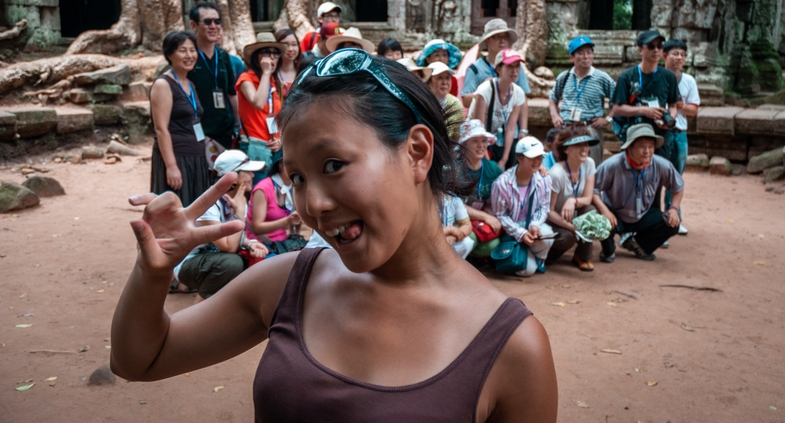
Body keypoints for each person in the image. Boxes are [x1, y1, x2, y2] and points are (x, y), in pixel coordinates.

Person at [113, 48, 557, 422]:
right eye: (298, 178)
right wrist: (153, 272)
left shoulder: (513, 347)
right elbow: (140, 359)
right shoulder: (287, 282)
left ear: (417, 153)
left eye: (333, 166)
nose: (313, 206)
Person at [173, 150, 269, 301]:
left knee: (251, 262)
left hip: (212, 258)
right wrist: (239, 212)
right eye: (248, 172)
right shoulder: (211, 205)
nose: (252, 176)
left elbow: (234, 237)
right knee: (231, 264)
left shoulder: (236, 199)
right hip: (188, 264)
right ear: (232, 176)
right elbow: (228, 246)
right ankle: (200, 310)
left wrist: (250, 243)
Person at [593, 124, 684, 262]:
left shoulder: (660, 164)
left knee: (672, 224)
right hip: (615, 213)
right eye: (642, 146)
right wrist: (604, 210)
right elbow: (592, 190)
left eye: (651, 146)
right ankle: (608, 249)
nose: (647, 151)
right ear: (630, 147)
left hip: (643, 214)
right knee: (599, 221)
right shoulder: (612, 165)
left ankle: (638, 245)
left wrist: (673, 208)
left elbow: (678, 187)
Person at [150, 31, 210, 207]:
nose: (189, 55)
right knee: (175, 210)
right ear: (169, 54)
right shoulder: (163, 84)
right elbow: (161, 129)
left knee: (193, 211)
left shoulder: (190, 84)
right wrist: (171, 166)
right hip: (177, 157)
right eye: (183, 50)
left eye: (192, 50)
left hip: (195, 157)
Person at [491, 137, 555, 276]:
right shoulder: (501, 183)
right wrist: (520, 233)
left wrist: (534, 225)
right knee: (527, 271)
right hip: (511, 229)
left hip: (532, 226)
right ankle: (528, 255)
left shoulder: (544, 179)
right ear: (519, 158)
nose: (537, 161)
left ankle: (538, 257)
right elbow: (500, 215)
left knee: (548, 235)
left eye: (540, 157)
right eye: (532, 157)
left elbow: (544, 207)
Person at [548, 36, 616, 167]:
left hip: (590, 128)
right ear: (571, 58)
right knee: (564, 166)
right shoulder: (564, 77)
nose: (586, 56)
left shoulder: (602, 78)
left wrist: (608, 119)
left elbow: (618, 100)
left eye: (589, 52)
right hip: (567, 128)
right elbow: (553, 98)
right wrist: (554, 115)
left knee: (592, 167)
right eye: (580, 53)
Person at [611, 30, 680, 156]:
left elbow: (673, 105)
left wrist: (669, 119)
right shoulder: (626, 76)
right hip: (634, 133)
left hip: (659, 134)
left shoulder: (669, 76)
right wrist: (643, 110)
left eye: (659, 46)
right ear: (640, 50)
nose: (656, 50)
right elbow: (616, 109)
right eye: (651, 46)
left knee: (660, 172)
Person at [545, 127, 599, 271]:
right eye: (578, 145)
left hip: (572, 213)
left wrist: (572, 200)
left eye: (586, 144)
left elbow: (587, 199)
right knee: (567, 237)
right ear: (566, 149)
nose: (584, 149)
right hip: (554, 220)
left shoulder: (589, 163)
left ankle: (582, 256)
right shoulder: (556, 173)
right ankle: (547, 256)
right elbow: (548, 211)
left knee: (590, 210)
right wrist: (573, 228)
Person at [188, 1, 239, 149]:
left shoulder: (223, 56)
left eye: (217, 21)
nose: (213, 26)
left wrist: (238, 124)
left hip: (225, 131)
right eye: (207, 22)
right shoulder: (188, 56)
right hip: (198, 132)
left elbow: (231, 93)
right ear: (193, 25)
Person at [236, 32, 286, 182]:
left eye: (275, 52)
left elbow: (280, 116)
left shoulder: (276, 83)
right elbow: (258, 103)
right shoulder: (246, 79)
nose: (271, 56)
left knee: (275, 193)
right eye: (266, 52)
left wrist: (281, 139)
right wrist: (265, 73)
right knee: (258, 191)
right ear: (256, 57)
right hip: (254, 146)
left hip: (275, 147)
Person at [468, 49, 529, 169]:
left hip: (497, 138)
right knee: (487, 169)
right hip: (476, 139)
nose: (515, 71)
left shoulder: (518, 93)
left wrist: (504, 160)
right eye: (510, 67)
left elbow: (511, 128)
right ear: (499, 69)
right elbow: (478, 128)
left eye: (517, 67)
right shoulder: (485, 90)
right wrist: (488, 160)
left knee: (512, 160)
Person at [662, 39, 698, 237]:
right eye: (675, 53)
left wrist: (679, 105)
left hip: (680, 134)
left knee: (676, 176)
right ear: (664, 55)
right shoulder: (656, 77)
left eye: (683, 55)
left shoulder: (689, 81)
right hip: (660, 134)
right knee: (654, 175)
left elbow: (694, 110)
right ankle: (651, 218)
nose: (679, 58)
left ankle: (674, 218)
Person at [456, 120, 504, 257]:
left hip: (479, 222)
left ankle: (470, 261)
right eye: (475, 141)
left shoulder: (492, 168)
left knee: (491, 245)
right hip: (457, 221)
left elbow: (511, 181)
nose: (481, 145)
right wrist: (485, 216)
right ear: (464, 144)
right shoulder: (454, 169)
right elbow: (454, 205)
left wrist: (539, 171)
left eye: (484, 140)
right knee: (470, 237)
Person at [247, 149, 305, 254]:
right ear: (280, 165)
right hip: (263, 246)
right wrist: (287, 221)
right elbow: (257, 228)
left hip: (283, 243)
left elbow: (295, 220)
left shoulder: (292, 186)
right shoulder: (263, 188)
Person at [462, 18, 531, 107]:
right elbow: (466, 101)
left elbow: (523, 96)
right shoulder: (475, 69)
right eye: (497, 36)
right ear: (487, 41)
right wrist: (486, 90)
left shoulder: (516, 66)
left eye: (505, 36)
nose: (502, 41)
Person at [427, 61, 464, 141]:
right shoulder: (421, 101)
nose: (444, 82)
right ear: (428, 81)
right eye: (439, 78)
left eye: (447, 78)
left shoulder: (455, 104)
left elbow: (457, 137)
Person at [439, 193, 474, 259]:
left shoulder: (454, 200)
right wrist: (450, 230)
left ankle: (451, 265)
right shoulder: (424, 201)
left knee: (467, 243)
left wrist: (453, 237)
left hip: (448, 238)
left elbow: (467, 225)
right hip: (429, 243)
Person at [275, 28, 301, 93]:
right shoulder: (271, 74)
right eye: (285, 45)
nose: (290, 49)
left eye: (294, 44)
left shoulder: (304, 71)